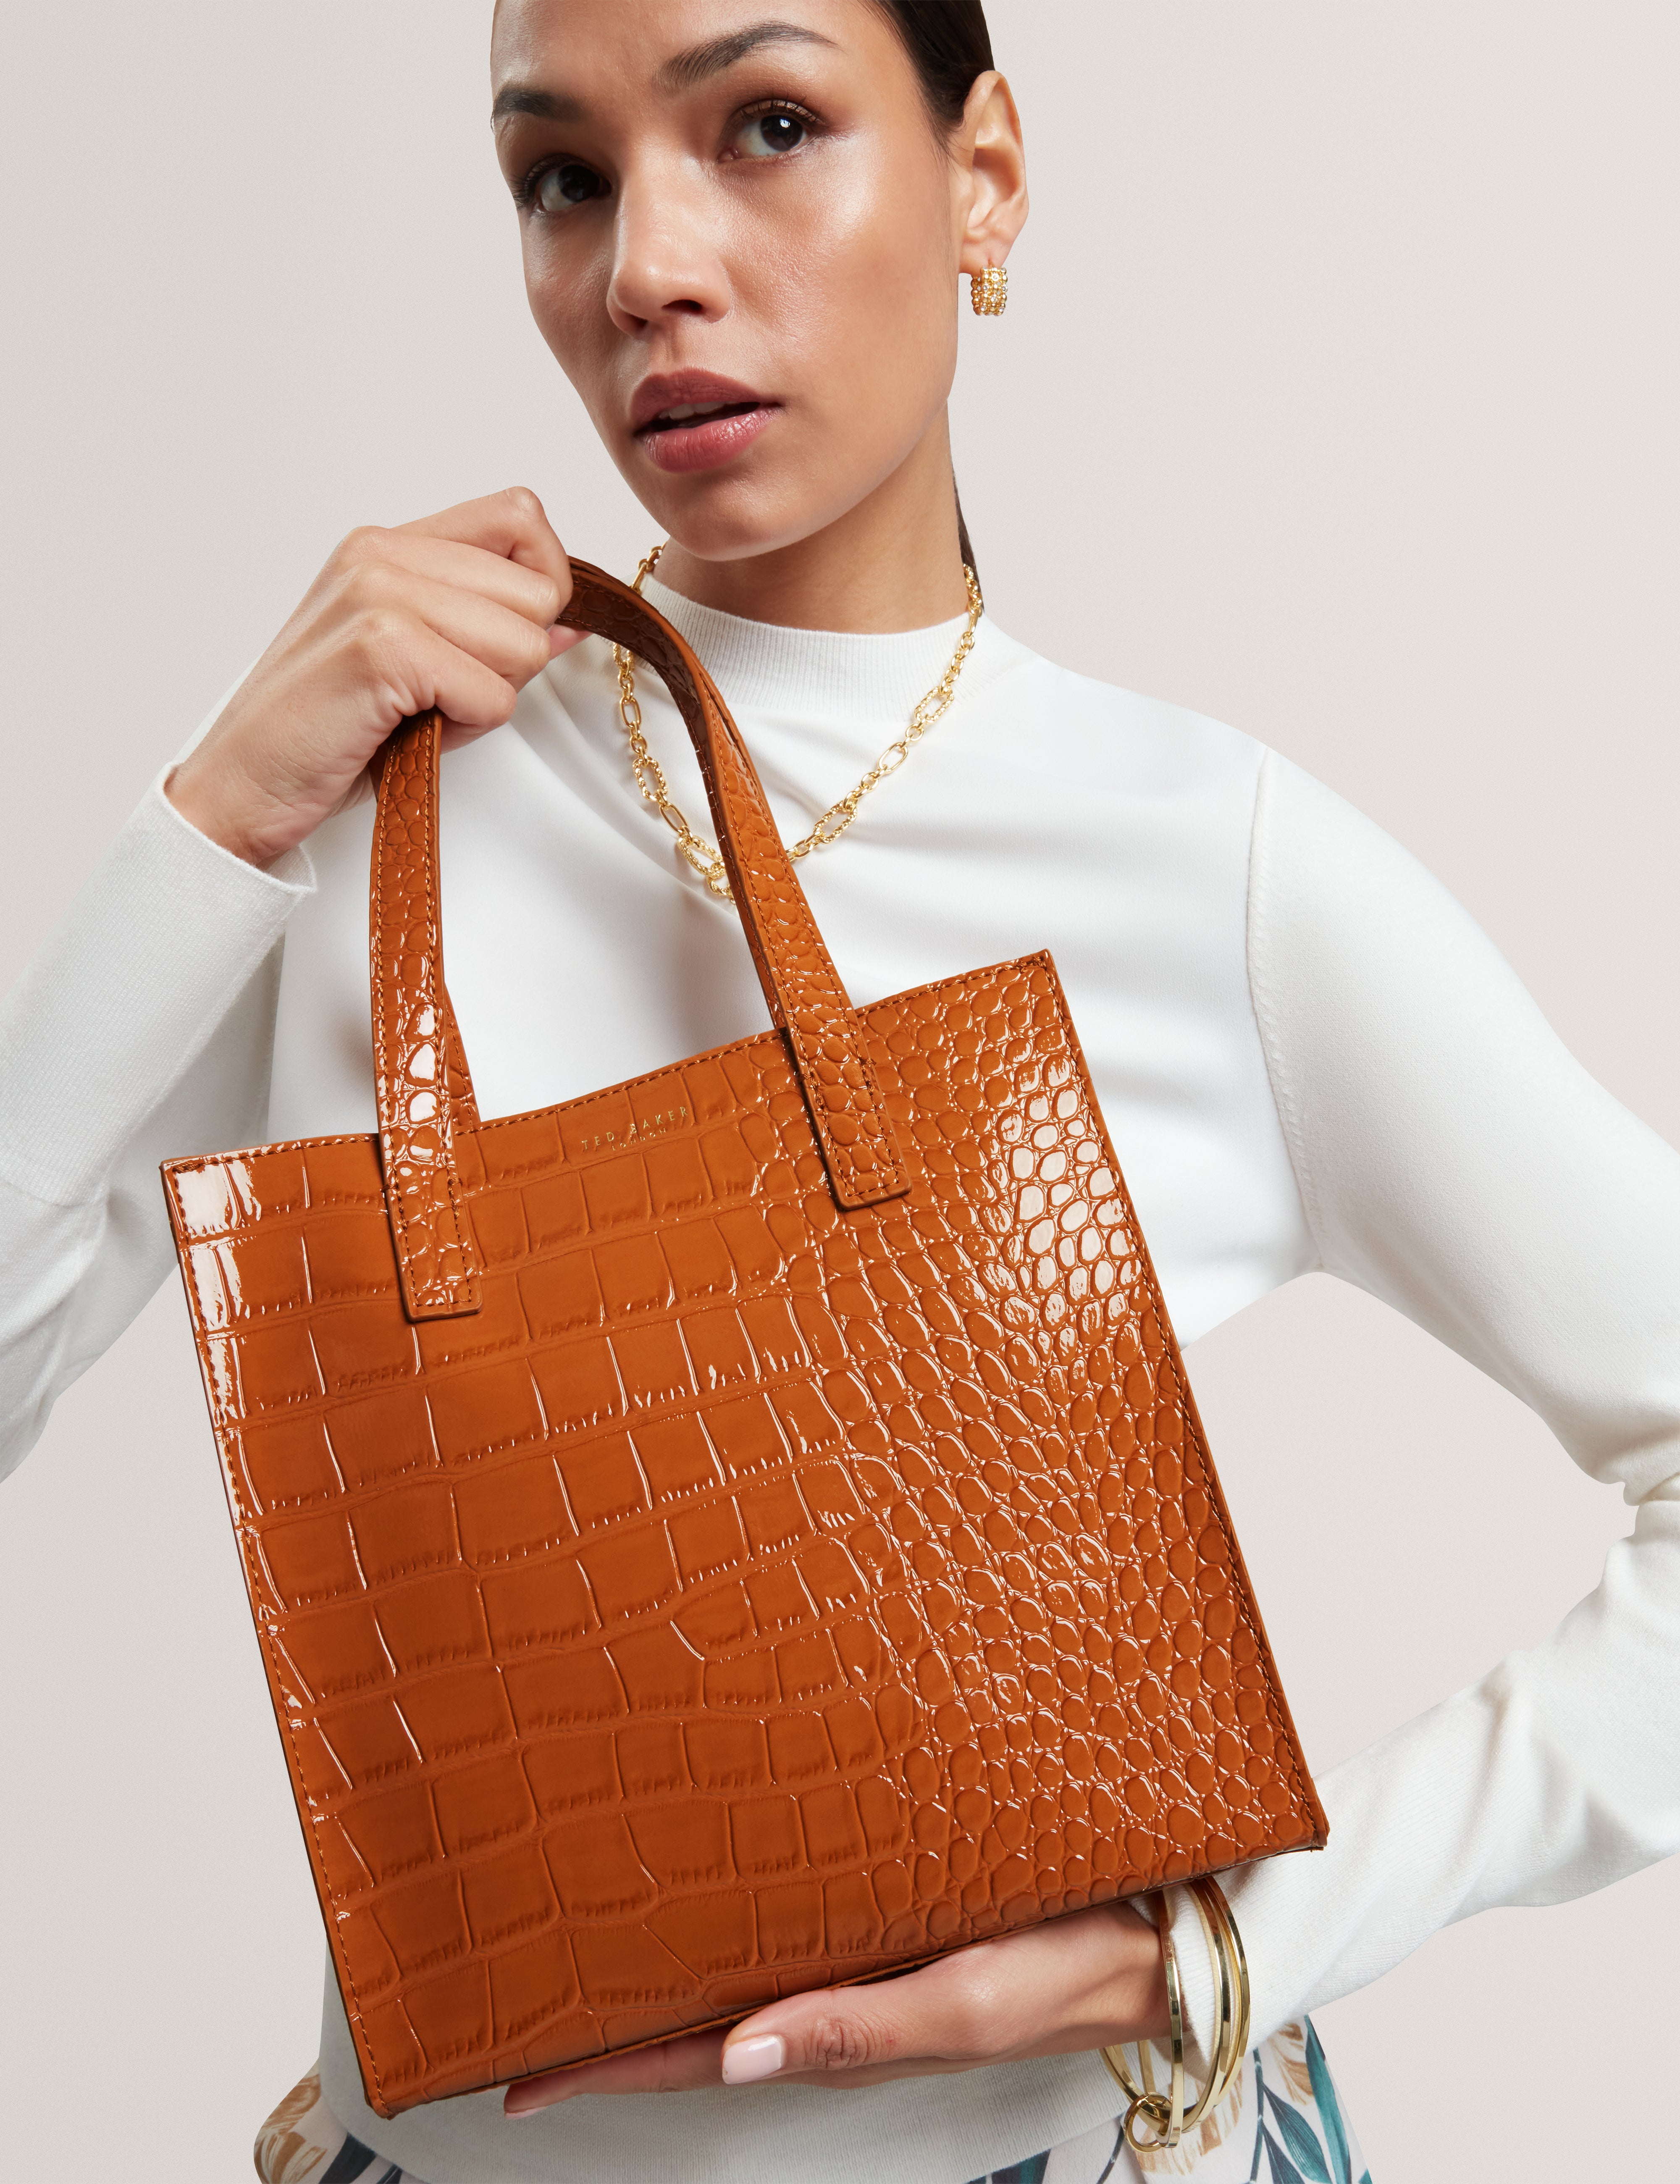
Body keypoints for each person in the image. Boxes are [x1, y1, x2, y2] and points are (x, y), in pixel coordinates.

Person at [3, 2, 1676, 2179]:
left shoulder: (1204, 862)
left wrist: (1240, 1939)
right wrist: (211, 821)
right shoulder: (370, 815)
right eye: (563, 176)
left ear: (985, 174)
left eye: (769, 124)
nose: (645, 268)